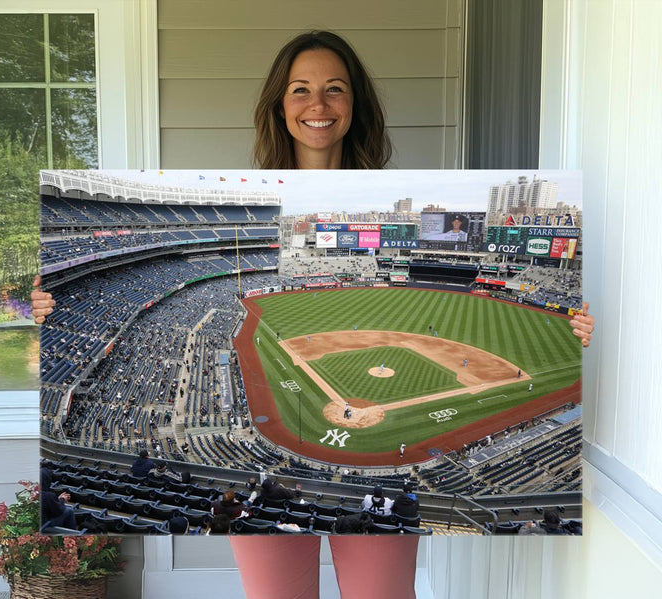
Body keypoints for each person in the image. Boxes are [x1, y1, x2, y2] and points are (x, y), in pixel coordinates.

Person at [30, 28, 595, 599]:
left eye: (335, 89)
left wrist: (583, 322)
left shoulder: (398, 193)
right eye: (300, 90)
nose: (317, 105)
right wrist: (44, 306)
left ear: (356, 105)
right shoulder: (248, 186)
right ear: (279, 105)